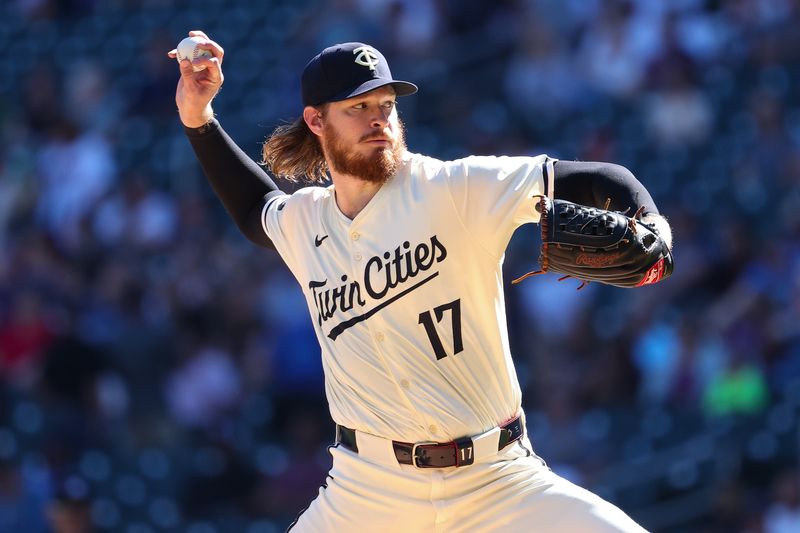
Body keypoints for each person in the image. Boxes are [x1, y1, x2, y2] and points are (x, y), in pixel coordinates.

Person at [169, 30, 671, 532]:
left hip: (496, 481)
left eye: (386, 104)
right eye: (358, 107)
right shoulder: (308, 223)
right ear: (316, 120)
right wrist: (198, 118)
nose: (378, 119)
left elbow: (603, 179)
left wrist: (655, 226)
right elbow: (258, 211)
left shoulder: (450, 189)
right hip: (368, 491)